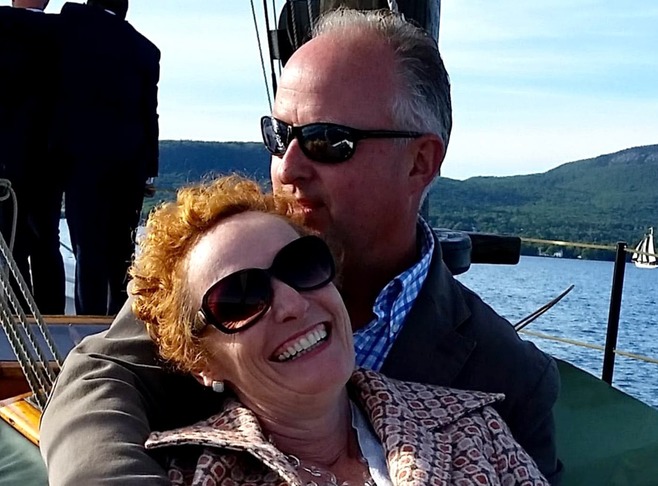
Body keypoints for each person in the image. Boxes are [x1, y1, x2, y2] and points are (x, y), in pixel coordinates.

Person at [40, 8, 562, 485]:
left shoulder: (508, 379)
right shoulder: (217, 277)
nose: (286, 167)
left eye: (327, 141)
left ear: (419, 162)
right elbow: (100, 376)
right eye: (279, 135)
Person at [128, 174, 548, 485]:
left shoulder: (472, 430)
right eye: (240, 299)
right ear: (202, 361)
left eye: (302, 265)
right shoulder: (188, 476)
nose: (293, 304)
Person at [50, 0, 160, 315]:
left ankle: (89, 321)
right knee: (122, 253)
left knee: (88, 248)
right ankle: (119, 321)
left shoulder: (72, 24)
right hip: (130, 165)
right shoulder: (145, 50)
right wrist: (149, 169)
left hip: (82, 161)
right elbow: (149, 116)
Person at [0, 0, 66, 315]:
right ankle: (51, 313)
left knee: (10, 240)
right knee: (46, 243)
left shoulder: (5, 24)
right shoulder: (64, 31)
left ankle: (18, 312)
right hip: (51, 158)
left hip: (8, 157)